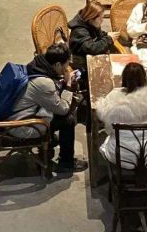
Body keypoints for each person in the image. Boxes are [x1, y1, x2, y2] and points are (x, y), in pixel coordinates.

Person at [7, 43, 87, 174]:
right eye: (66, 65)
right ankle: (66, 163)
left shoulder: (38, 64)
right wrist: (67, 85)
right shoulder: (44, 83)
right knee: (68, 120)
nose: (67, 68)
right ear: (57, 65)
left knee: (64, 116)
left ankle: (51, 142)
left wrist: (62, 82)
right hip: (22, 124)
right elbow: (63, 109)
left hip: (19, 111)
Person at [96, 62, 147, 168]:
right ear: (144, 78)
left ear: (124, 78)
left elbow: (109, 130)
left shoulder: (113, 97)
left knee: (107, 139)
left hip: (122, 156)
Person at [68, 1, 116, 71]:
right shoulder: (79, 31)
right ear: (91, 18)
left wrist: (106, 35)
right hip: (81, 66)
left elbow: (99, 35)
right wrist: (109, 39)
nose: (102, 20)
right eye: (100, 18)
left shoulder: (91, 25)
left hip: (90, 60)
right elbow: (92, 48)